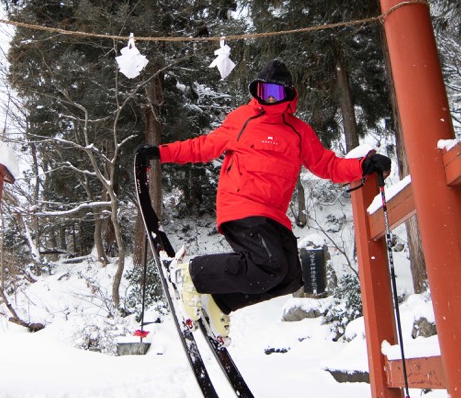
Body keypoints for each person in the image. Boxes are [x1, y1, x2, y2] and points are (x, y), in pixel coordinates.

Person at [136, 58, 391, 337]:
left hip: (274, 216)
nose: (269, 97)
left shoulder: (299, 131)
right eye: (264, 90)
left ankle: (220, 302)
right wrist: (161, 152)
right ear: (256, 90)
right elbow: (204, 147)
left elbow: (327, 165)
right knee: (269, 265)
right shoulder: (241, 119)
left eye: (277, 92)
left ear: (289, 95)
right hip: (241, 205)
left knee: (290, 277)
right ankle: (189, 272)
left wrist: (362, 165)